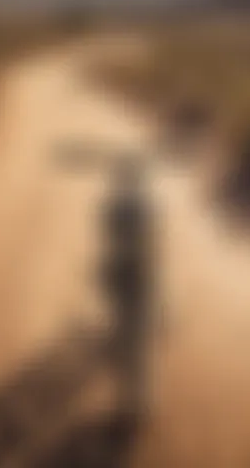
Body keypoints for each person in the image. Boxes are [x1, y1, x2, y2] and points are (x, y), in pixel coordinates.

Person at [100, 153, 155, 419]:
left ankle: (126, 398)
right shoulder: (145, 208)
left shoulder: (114, 208)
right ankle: (139, 398)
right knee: (138, 340)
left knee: (124, 336)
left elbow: (110, 244)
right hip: (139, 275)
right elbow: (151, 247)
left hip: (122, 274)